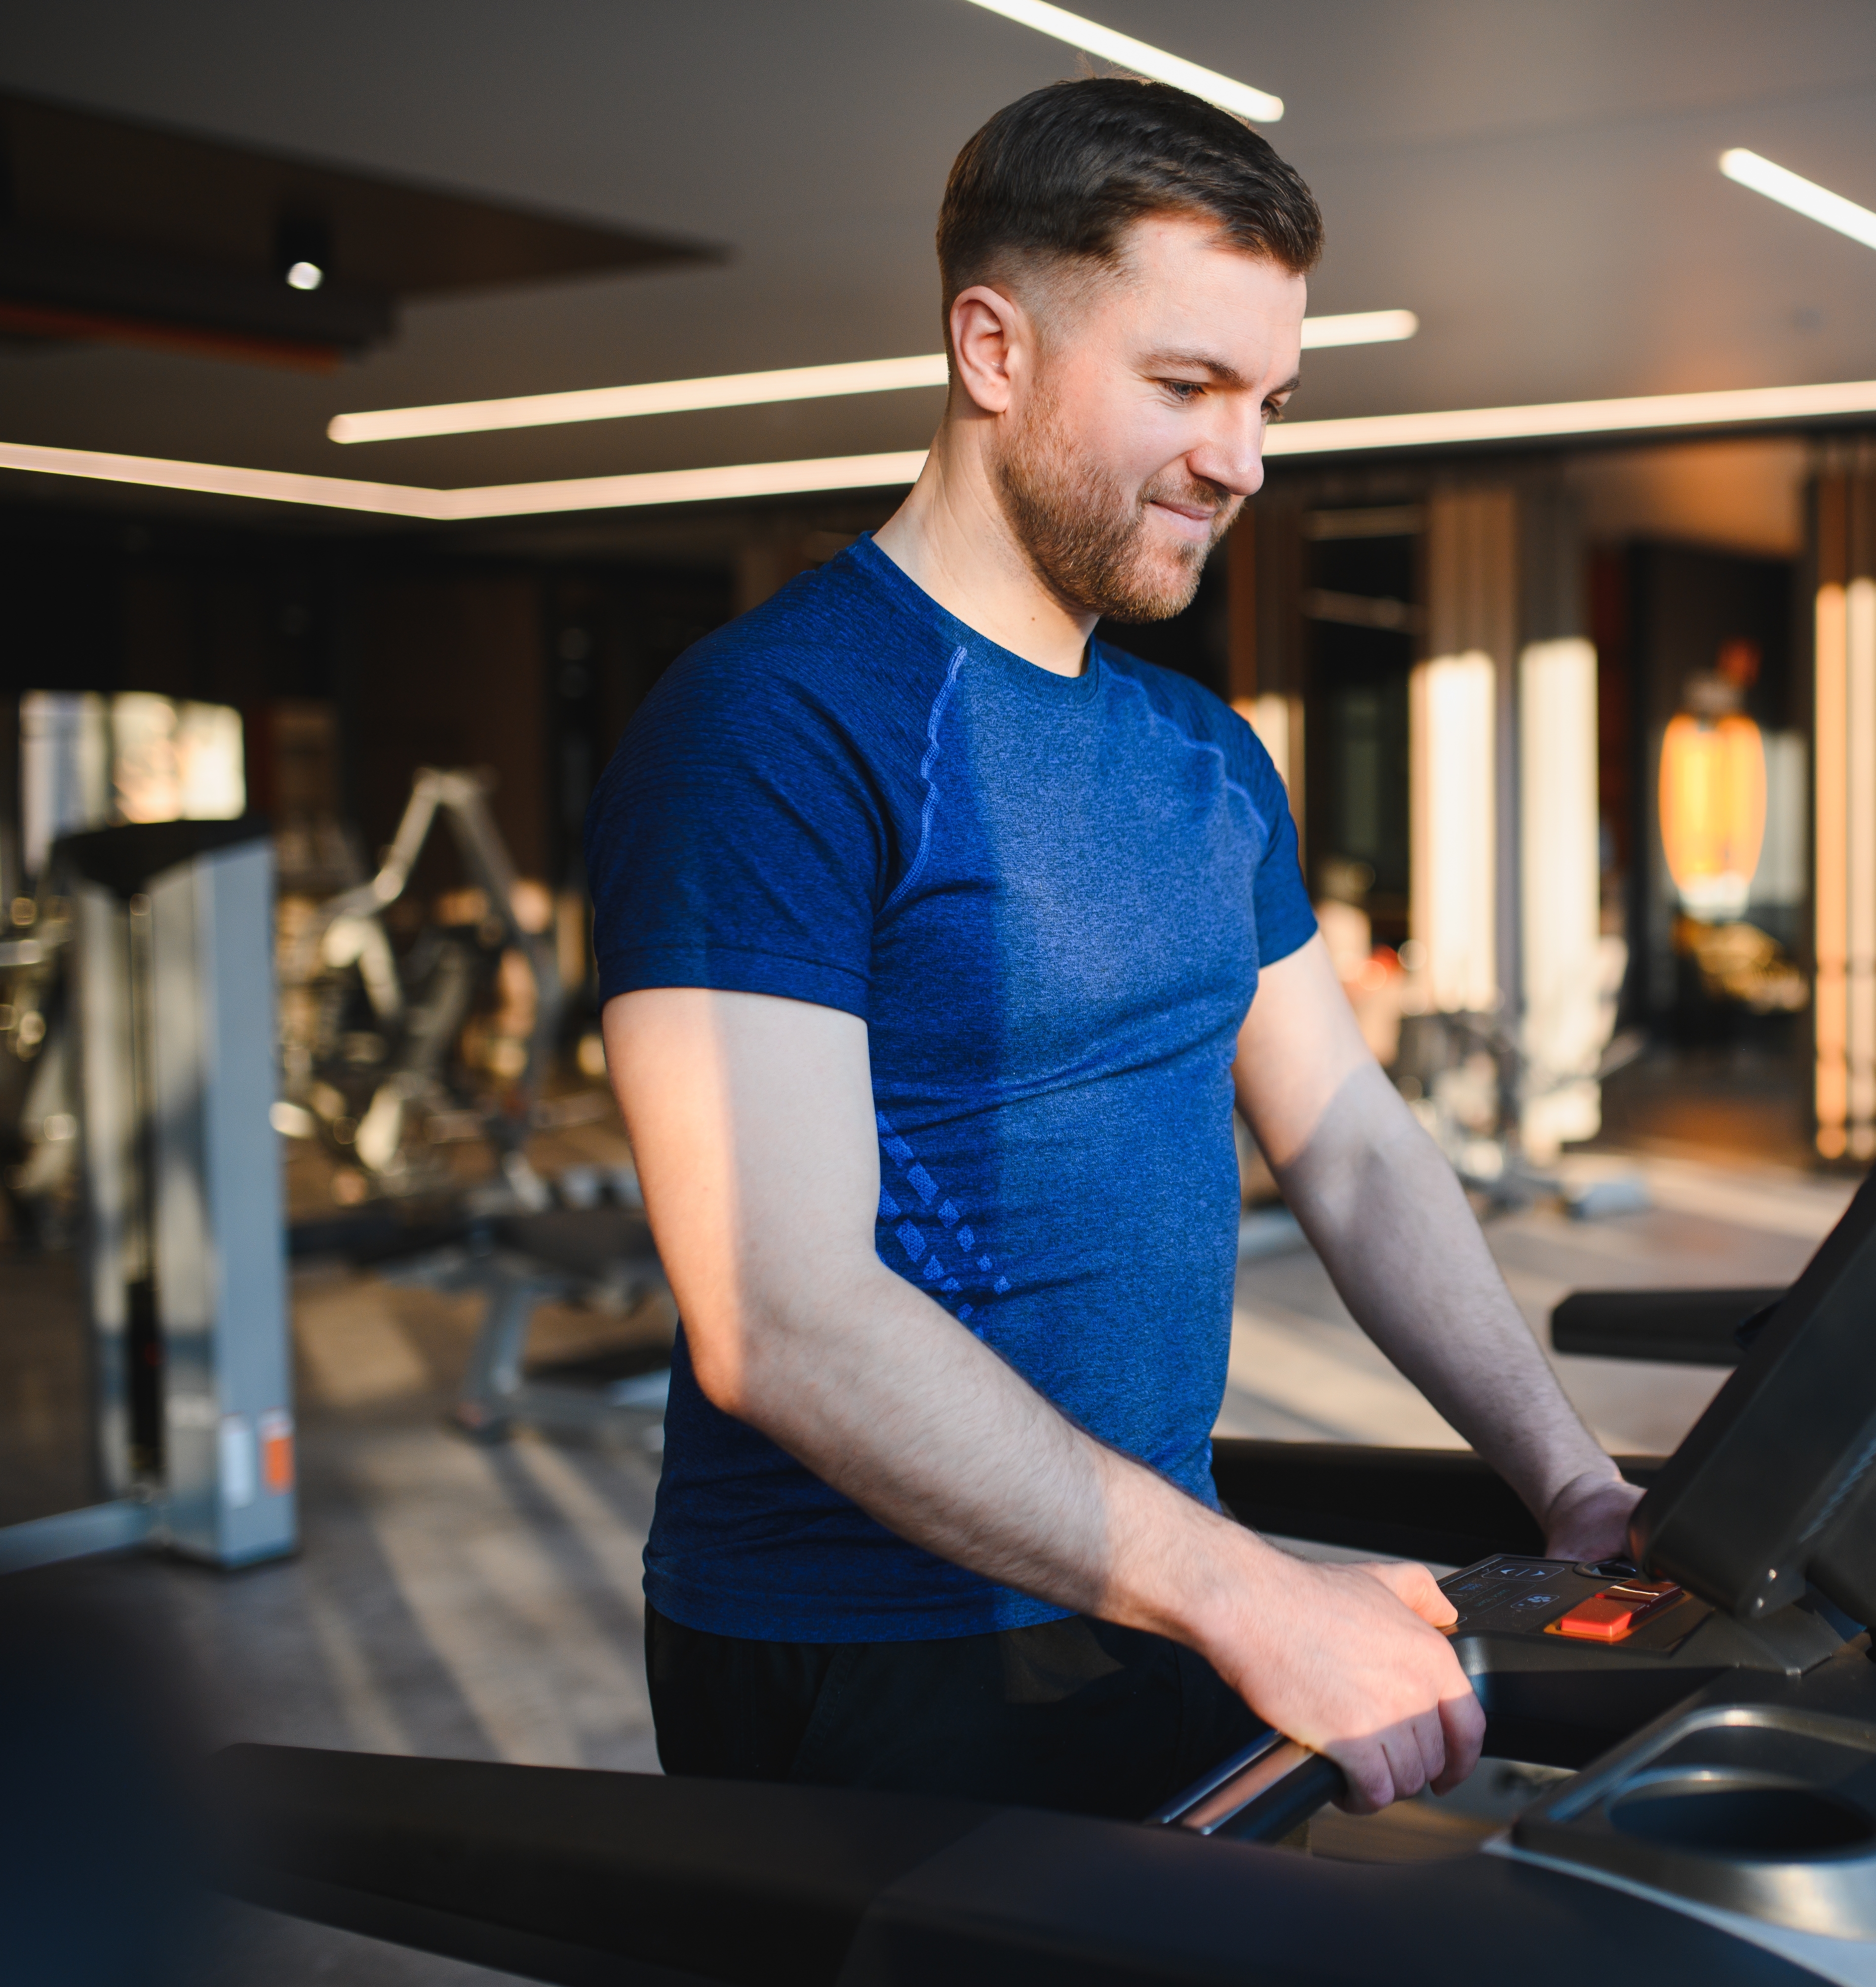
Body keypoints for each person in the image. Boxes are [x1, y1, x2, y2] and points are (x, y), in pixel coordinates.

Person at [584, 78, 1641, 1823]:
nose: (1243, 456)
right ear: (992, 348)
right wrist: (1255, 1594)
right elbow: (778, 1314)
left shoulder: (1203, 753)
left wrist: (1571, 1483)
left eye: (1270, 399)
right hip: (877, 1651)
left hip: (1149, 1580)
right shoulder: (772, 730)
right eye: (1186, 386)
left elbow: (1356, 1148)